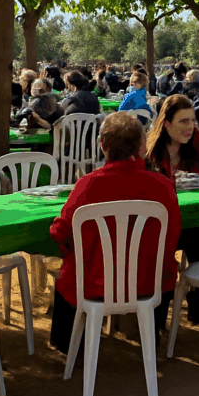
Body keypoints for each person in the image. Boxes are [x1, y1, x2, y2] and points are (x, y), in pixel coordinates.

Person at [48, 112, 181, 352]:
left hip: (93, 283)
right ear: (142, 146)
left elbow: (62, 232)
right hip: (150, 280)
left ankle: (68, 345)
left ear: (102, 145)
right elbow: (173, 234)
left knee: (69, 273)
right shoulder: (162, 186)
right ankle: (151, 332)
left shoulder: (88, 185)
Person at [146, 94, 199, 323]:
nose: (190, 127)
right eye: (183, 121)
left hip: (189, 222)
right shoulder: (150, 151)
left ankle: (196, 299)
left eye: (192, 120)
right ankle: (159, 314)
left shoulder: (198, 143)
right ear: (166, 123)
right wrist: (171, 183)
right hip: (160, 225)